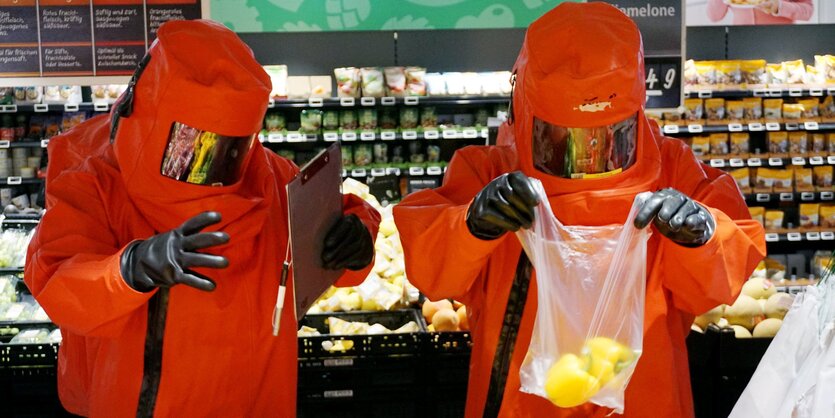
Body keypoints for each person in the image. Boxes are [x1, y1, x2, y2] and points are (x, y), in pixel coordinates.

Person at [393, 3, 766, 417]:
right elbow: (430, 269)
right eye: (562, 142)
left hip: (644, 397)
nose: (588, 159)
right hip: (524, 399)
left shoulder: (672, 169)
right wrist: (470, 226)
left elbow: (729, 269)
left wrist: (704, 233)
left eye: (609, 139)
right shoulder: (489, 172)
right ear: (526, 111)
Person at [24, 20, 379, 417]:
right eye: (189, 145)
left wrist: (356, 237)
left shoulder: (274, 178)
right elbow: (57, 281)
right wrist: (129, 269)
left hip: (257, 399)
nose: (207, 165)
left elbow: (330, 251)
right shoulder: (94, 182)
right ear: (150, 119)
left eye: (229, 147)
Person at [707, 0, 813, 25]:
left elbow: (807, 11)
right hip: (740, 42)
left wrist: (779, 6)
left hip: (781, 42)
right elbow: (714, 16)